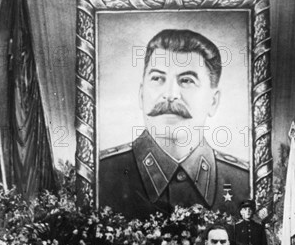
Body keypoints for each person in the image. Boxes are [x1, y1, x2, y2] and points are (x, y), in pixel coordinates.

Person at [99, 29, 250, 220]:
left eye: (187, 80)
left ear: (213, 101)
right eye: (157, 78)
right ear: (141, 94)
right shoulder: (100, 175)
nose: (170, 94)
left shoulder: (245, 183)